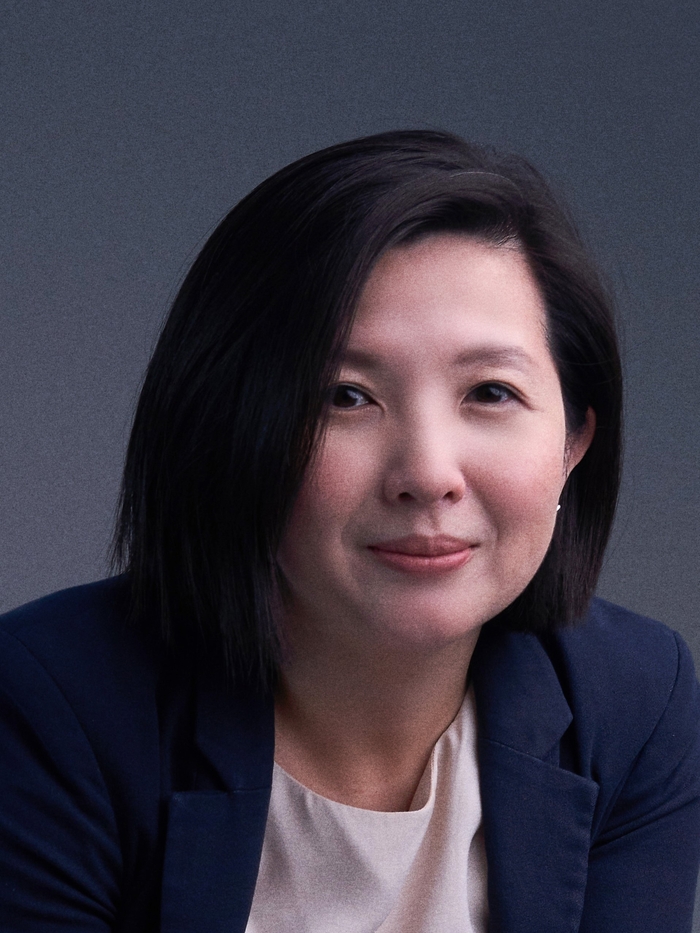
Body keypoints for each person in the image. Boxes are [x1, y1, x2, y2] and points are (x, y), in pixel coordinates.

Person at [1, 130, 699, 933]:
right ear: (230, 427)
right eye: (346, 396)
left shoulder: (633, 703)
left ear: (574, 442)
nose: (428, 472)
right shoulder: (50, 710)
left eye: (491, 392)